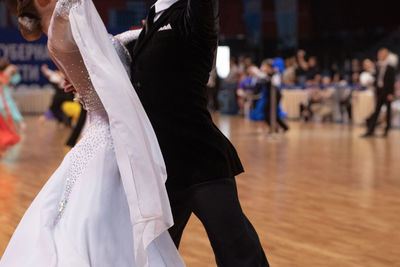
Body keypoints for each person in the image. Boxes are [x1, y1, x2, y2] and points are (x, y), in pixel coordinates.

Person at [2, 0, 184, 266]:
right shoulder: (66, 16)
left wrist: (142, 33)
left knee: (90, 220)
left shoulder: (57, 35)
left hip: (99, 134)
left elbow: (106, 50)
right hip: (109, 135)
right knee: (104, 224)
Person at [126, 1, 269, 266]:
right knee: (155, 257)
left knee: (239, 254)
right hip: (163, 168)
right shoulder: (154, 15)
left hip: (200, 162)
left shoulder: (194, 15)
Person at [362, 48, 396, 138]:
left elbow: (392, 82)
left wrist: (391, 93)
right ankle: (371, 130)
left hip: (387, 92)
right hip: (379, 92)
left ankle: (386, 130)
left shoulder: (390, 67)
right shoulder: (377, 66)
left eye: (381, 54)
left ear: (386, 55)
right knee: (376, 111)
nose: (379, 56)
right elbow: (377, 79)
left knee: (388, 112)